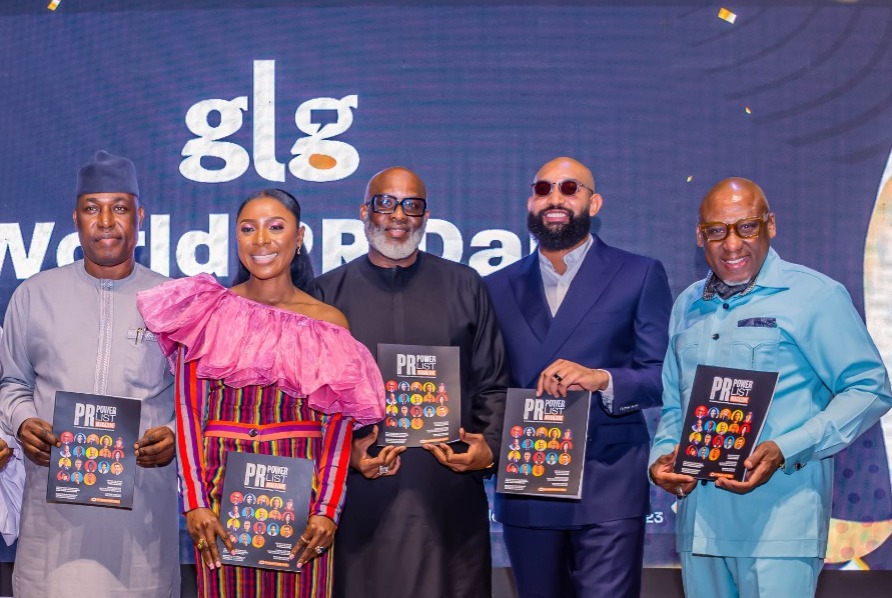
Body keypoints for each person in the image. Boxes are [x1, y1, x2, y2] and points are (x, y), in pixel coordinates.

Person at [649, 177, 892, 597]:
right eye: (717, 231)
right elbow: (675, 406)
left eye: (746, 227)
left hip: (781, 524)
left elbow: (870, 388)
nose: (732, 244)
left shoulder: (815, 295)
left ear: (770, 225)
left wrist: (787, 447)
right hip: (700, 525)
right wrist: (662, 457)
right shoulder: (687, 305)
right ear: (700, 236)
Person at [138, 188, 383, 598]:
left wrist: (327, 509)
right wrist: (195, 503)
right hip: (220, 504)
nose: (261, 240)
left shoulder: (329, 322)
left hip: (304, 509)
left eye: (276, 227)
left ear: (299, 237)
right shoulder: (207, 312)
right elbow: (188, 411)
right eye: (248, 229)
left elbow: (338, 428)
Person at [315, 167, 509, 598]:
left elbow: (493, 384)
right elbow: (311, 401)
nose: (399, 215)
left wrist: (489, 449)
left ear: (426, 216)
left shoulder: (465, 285)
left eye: (412, 205)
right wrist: (345, 455)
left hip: (449, 493)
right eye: (385, 202)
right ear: (364, 211)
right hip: (360, 497)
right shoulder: (326, 297)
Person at [485, 156, 671, 598]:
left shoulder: (638, 273)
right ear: (530, 202)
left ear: (594, 202)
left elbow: (663, 375)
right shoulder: (496, 285)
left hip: (608, 480)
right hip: (529, 477)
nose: (555, 198)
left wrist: (602, 379)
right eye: (543, 189)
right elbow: (487, 383)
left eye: (570, 188)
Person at [0, 150, 180, 596]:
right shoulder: (34, 294)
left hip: (143, 517)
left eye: (119, 207)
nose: (105, 221)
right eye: (91, 208)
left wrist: (175, 435)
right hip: (52, 521)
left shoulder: (173, 301)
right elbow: (12, 383)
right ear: (75, 218)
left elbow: (198, 398)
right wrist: (23, 422)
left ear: (140, 216)